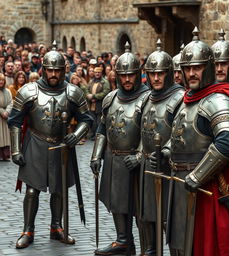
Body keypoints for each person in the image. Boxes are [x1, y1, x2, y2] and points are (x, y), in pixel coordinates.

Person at [151, 27, 229, 255]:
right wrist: (166, 152)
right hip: (181, 184)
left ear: (208, 67)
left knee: (206, 247)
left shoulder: (219, 100)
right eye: (187, 68)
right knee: (179, 244)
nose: (191, 73)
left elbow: (228, 143)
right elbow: (179, 136)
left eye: (197, 67)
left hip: (209, 190)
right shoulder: (185, 99)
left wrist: (198, 175)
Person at [7, 42, 92, 249]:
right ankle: (28, 229)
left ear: (64, 70)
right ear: (44, 70)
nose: (54, 74)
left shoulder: (73, 92)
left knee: (59, 189)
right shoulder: (29, 90)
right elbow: (15, 120)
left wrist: (76, 134)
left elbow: (86, 119)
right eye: (50, 70)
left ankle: (56, 227)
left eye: (58, 70)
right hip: (35, 143)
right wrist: (16, 149)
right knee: (32, 191)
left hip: (61, 146)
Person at [90, 42, 150, 256]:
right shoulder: (110, 98)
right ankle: (123, 240)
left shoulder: (148, 98)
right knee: (117, 202)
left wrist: (140, 155)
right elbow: (102, 128)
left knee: (140, 208)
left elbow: (151, 131)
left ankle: (147, 249)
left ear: (138, 74)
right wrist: (96, 155)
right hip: (113, 158)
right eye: (122, 75)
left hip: (137, 161)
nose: (126, 79)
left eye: (131, 75)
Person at [139, 40, 185, 255]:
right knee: (148, 214)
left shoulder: (179, 98)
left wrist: (166, 150)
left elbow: (181, 130)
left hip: (170, 168)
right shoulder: (147, 97)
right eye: (152, 73)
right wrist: (141, 154)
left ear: (168, 73)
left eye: (160, 73)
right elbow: (141, 131)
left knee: (170, 218)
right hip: (149, 164)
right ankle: (150, 250)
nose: (156, 78)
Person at [85, 66, 110, 140]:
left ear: (101, 73)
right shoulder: (91, 81)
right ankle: (93, 134)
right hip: (91, 104)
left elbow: (106, 92)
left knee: (99, 121)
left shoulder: (105, 82)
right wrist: (88, 96)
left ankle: (99, 135)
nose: (97, 74)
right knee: (93, 120)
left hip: (100, 104)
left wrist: (94, 96)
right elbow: (86, 89)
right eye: (95, 72)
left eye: (98, 72)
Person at [0, 73, 13, 161]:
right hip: (0, 115)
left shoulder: (7, 91)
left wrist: (7, 111)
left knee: (5, 136)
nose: (1, 82)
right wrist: (1, 111)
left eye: (2, 80)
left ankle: (5, 155)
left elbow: (10, 102)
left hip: (5, 118)